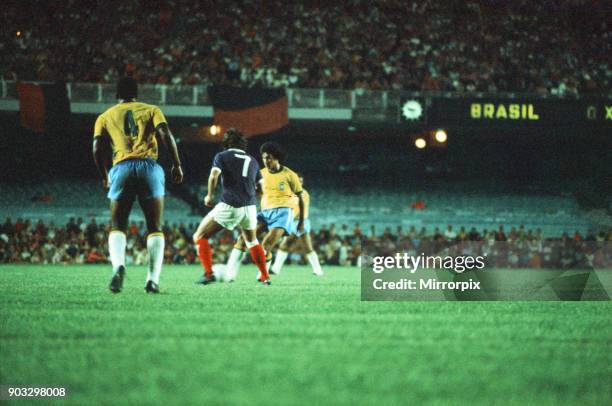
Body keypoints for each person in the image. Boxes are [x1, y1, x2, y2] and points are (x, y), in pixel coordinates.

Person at [93, 76, 183, 294]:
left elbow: (97, 148)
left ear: (117, 95)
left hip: (121, 168)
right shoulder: (152, 109)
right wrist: (176, 165)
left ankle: (119, 266)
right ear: (137, 93)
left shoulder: (105, 116)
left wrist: (105, 174)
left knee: (117, 225)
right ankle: (152, 280)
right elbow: (165, 134)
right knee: (155, 227)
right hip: (149, 168)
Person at [192, 128, 270, 285]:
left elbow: (214, 175)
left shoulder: (222, 156)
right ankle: (265, 276)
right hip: (250, 207)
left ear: (226, 143)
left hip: (230, 204)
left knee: (199, 236)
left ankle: (208, 274)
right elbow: (262, 188)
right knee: (252, 242)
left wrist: (209, 195)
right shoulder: (253, 160)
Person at [225, 142, 304, 279]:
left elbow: (300, 197)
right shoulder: (260, 174)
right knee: (243, 239)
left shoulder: (290, 175)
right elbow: (253, 192)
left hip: (283, 213)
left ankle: (264, 273)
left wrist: (301, 220)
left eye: (270, 158)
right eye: (264, 158)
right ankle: (229, 275)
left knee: (265, 245)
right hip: (265, 212)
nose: (266, 161)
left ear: (277, 158)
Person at [270, 174, 323, 276]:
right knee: (286, 245)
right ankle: (276, 269)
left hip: (300, 222)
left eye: (301, 182)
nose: (300, 183)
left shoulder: (303, 193)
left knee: (306, 247)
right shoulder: (289, 194)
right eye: (298, 181)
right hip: (292, 222)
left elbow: (300, 210)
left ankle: (318, 270)